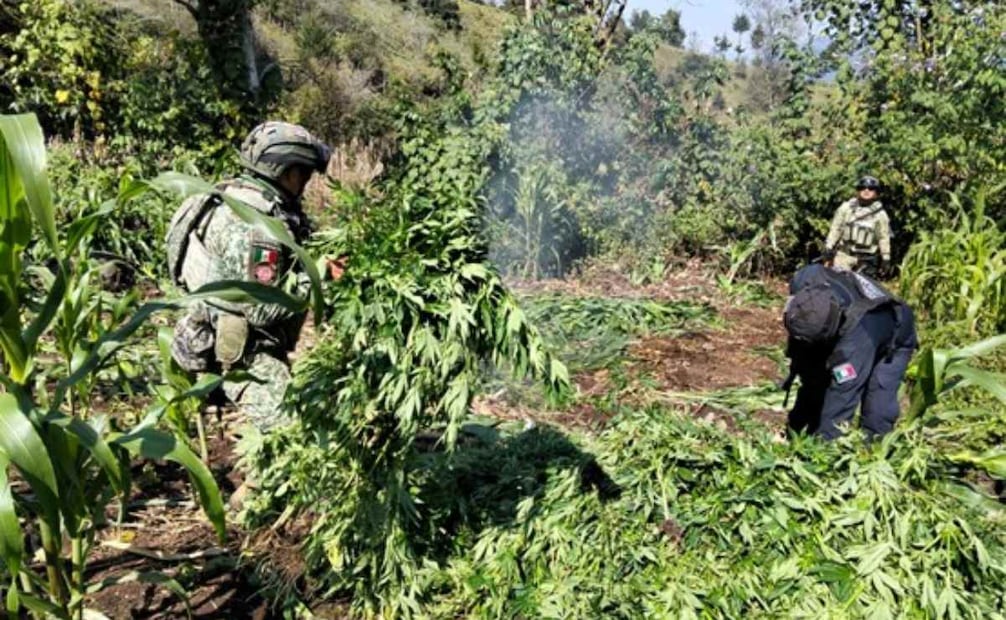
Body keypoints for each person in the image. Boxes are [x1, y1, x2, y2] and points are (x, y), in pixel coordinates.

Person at [166, 121, 340, 431]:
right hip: (244, 355)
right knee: (293, 436)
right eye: (304, 173)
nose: (305, 182)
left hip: (222, 332)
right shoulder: (256, 228)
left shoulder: (235, 194)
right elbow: (261, 307)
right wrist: (318, 275)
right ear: (286, 172)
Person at [781, 263, 918, 440]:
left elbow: (842, 398)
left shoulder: (855, 341)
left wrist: (825, 450)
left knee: (878, 404)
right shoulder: (806, 279)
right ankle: (799, 430)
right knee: (814, 376)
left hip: (893, 334)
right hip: (858, 322)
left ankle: (874, 450)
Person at [822, 175, 891, 278]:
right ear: (858, 190)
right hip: (844, 256)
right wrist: (828, 247)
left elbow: (883, 237)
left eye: (871, 189)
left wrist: (886, 258)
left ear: (876, 193)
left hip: (866, 259)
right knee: (841, 287)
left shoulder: (880, 215)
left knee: (863, 291)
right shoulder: (846, 208)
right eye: (863, 187)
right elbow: (836, 229)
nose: (866, 190)